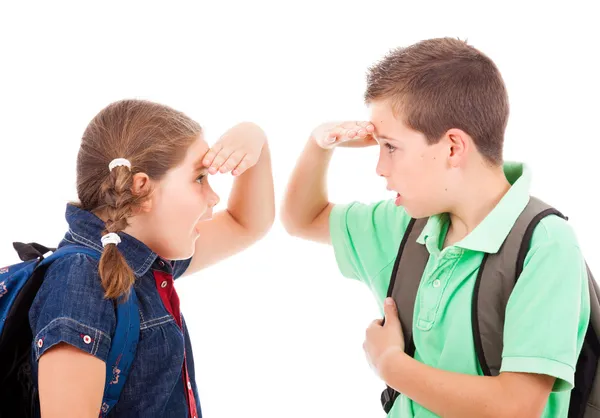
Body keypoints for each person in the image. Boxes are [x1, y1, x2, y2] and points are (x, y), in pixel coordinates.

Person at [281, 37, 590, 417]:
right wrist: (320, 143)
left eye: (390, 147)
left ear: (452, 148)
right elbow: (302, 219)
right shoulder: (406, 225)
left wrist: (390, 364)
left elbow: (517, 406)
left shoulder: (544, 245)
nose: (379, 166)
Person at [29, 99, 274, 417]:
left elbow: (247, 223)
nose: (214, 197)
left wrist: (254, 138)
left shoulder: (144, 263)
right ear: (142, 188)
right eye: (199, 178)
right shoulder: (79, 278)